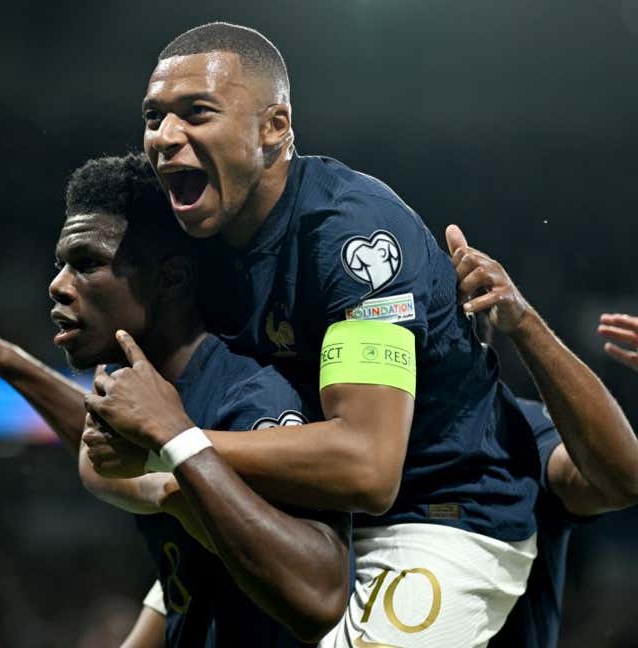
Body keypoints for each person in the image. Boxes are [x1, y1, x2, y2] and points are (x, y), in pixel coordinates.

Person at [84, 23, 541, 647]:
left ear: (275, 129)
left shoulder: (350, 237)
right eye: (153, 116)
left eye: (196, 113)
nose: (164, 138)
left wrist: (175, 442)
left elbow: (368, 467)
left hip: (441, 510)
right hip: (305, 507)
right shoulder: (201, 233)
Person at [0, 153, 351, 645]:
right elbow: (113, 449)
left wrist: (176, 465)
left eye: (88, 263)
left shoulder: (250, 396)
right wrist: (4, 360)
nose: (57, 285)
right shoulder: (139, 384)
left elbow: (321, 597)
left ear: (173, 277)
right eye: (62, 265)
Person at [444, 225, 638, 648]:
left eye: (462, 316)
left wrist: (523, 320)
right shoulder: (350, 437)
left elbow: (623, 479)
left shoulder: (519, 429)